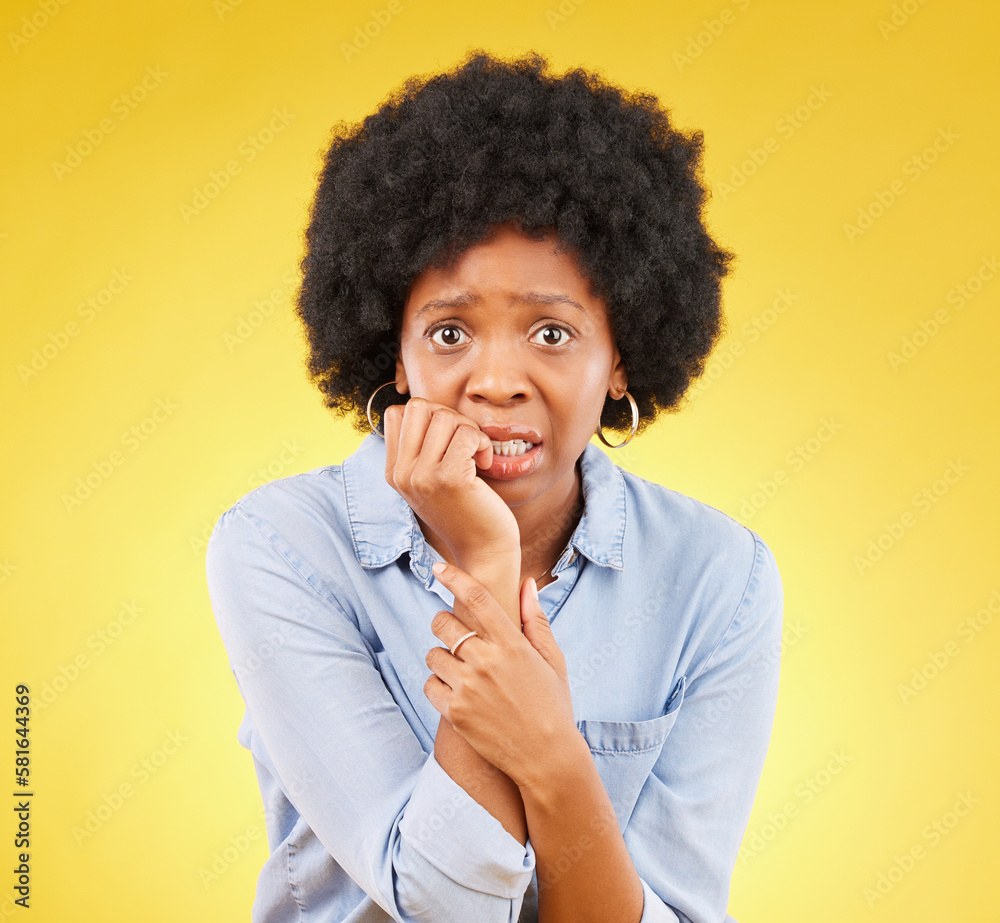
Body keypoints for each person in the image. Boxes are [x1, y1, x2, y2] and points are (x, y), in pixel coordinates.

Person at [206, 49, 783, 923]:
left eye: (551, 333)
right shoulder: (282, 545)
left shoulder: (719, 578)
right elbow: (437, 901)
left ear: (620, 357)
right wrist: (486, 564)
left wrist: (550, 755)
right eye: (449, 333)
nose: (496, 379)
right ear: (392, 352)